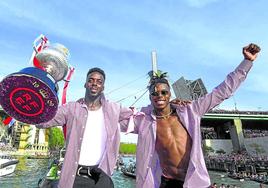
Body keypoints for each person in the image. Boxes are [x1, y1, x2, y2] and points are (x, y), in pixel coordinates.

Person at [130, 43, 261, 187]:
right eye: (154, 93)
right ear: (150, 97)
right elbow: (111, 118)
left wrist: (246, 62)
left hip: (194, 181)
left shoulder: (190, 111)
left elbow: (222, 92)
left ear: (169, 94)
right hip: (167, 182)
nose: (159, 95)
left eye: (164, 92)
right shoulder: (144, 121)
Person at [37, 67, 134, 188]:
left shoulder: (114, 109)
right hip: (73, 177)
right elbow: (42, 121)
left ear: (103, 87)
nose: (94, 84)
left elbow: (137, 120)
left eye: (99, 82)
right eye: (91, 80)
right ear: (85, 84)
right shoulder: (71, 108)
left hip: (101, 177)